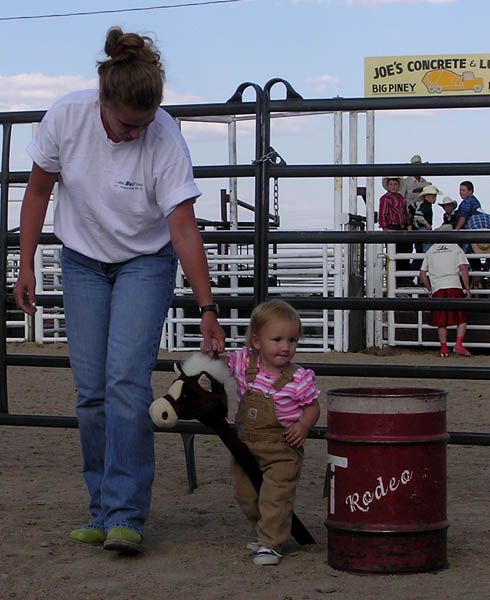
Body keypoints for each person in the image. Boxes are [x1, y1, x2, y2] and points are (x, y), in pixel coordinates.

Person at [13, 27, 226, 554]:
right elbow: (38, 192)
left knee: (127, 387)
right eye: (128, 124)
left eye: (145, 124)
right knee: (90, 394)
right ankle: (101, 508)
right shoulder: (65, 117)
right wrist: (26, 265)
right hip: (83, 261)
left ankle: (127, 516)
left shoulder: (164, 136)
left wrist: (208, 309)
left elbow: (182, 227)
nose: (136, 135)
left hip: (144, 263)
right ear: (104, 101)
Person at [226, 300, 320, 566]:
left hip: (282, 448)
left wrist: (303, 425)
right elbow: (221, 362)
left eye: (292, 340)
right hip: (246, 445)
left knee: (275, 495)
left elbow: (313, 408)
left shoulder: (299, 378)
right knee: (246, 494)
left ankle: (271, 542)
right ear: (257, 341)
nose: (285, 347)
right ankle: (263, 532)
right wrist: (212, 353)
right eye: (277, 339)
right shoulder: (245, 363)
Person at [419, 234, 471, 357]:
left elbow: (422, 273)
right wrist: (467, 288)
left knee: (441, 320)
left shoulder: (431, 250)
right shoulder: (455, 247)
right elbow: (463, 268)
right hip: (454, 285)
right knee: (461, 317)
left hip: (438, 287)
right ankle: (458, 345)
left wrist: (430, 289)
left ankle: (443, 348)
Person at [378, 176, 413, 285]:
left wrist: (408, 221)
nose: (393, 186)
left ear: (398, 186)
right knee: (394, 255)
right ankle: (395, 280)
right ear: (388, 186)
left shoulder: (401, 198)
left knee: (406, 252)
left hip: (402, 227)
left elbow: (405, 213)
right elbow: (382, 214)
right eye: (391, 184)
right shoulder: (385, 199)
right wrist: (385, 228)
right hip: (392, 228)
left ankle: (403, 278)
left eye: (395, 184)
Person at [410, 184, 443, 269]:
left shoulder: (422, 205)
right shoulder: (425, 206)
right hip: (422, 230)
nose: (435, 198)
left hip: (419, 230)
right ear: (426, 196)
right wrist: (426, 224)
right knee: (426, 253)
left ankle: (416, 275)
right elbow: (418, 216)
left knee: (422, 254)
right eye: (433, 196)